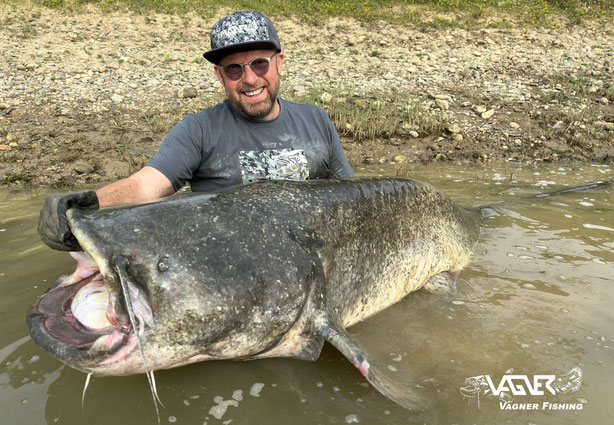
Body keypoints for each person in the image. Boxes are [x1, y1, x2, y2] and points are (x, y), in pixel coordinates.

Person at [37, 10, 355, 251]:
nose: (249, 79)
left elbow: (353, 198)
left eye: (259, 63)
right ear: (220, 75)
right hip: (231, 264)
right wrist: (83, 209)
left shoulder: (317, 120)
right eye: (234, 69)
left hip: (313, 256)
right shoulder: (199, 130)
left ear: (279, 63)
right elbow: (145, 187)